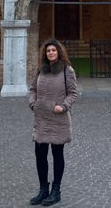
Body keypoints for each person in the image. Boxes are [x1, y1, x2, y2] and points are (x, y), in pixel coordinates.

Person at [28, 38, 77, 206]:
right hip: (41, 118)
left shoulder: (67, 70)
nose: (51, 53)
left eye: (53, 50)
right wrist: (33, 103)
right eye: (48, 51)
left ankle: (56, 191)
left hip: (58, 118)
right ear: (45, 53)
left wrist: (63, 107)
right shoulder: (40, 70)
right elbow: (32, 89)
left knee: (57, 155)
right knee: (40, 155)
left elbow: (73, 93)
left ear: (59, 52)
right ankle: (43, 190)